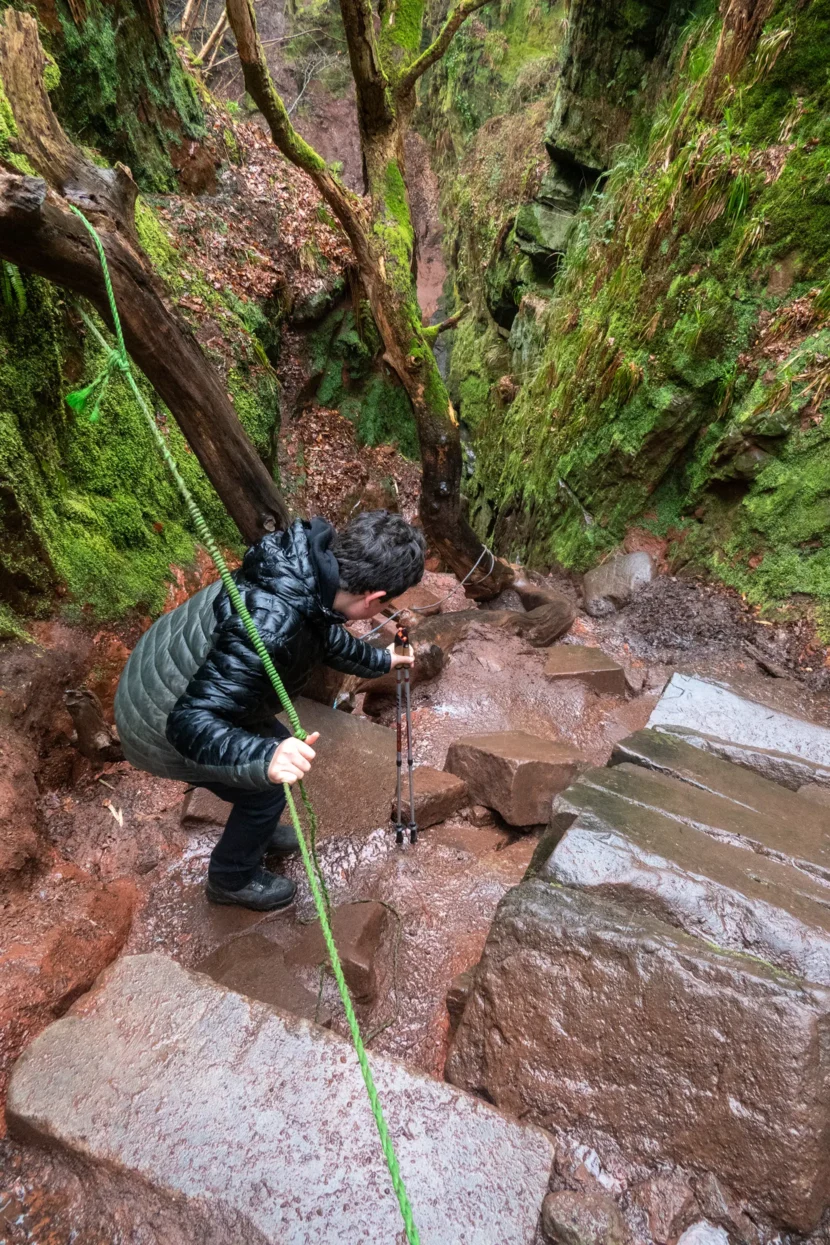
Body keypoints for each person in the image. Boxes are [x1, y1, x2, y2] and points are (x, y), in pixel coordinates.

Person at [114, 511, 424, 910]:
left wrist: (383, 662)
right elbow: (189, 724)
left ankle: (256, 831)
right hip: (158, 720)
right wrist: (265, 757)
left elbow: (324, 637)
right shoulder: (273, 624)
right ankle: (231, 879)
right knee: (266, 786)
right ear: (374, 600)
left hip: (169, 673)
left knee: (277, 757)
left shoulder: (302, 570)